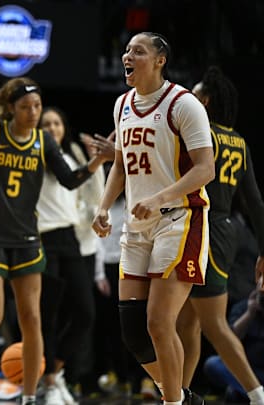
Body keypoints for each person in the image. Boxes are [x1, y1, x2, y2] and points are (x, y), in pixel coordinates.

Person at [0, 77, 107, 405]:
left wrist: (97, 162)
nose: (34, 112)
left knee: (32, 318)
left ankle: (30, 398)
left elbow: (69, 180)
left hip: (26, 239)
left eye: (37, 105)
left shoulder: (42, 142)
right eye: (26, 107)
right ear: (11, 108)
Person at [91, 32, 215, 405]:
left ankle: (173, 401)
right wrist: (102, 205)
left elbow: (206, 169)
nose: (128, 56)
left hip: (179, 218)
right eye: (126, 50)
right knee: (133, 331)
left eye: (138, 51)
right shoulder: (122, 104)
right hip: (137, 224)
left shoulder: (184, 104)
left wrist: (161, 198)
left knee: (160, 323)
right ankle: (182, 396)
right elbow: (123, 164)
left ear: (160, 60)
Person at [175, 66, 264, 405]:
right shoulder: (239, 141)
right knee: (188, 324)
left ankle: (257, 396)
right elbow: (255, 201)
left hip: (205, 229)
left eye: (193, 95)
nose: (188, 101)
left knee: (212, 323)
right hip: (224, 230)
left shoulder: (202, 135)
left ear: (205, 101)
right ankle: (178, 398)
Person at [37, 106, 100, 403]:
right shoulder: (32, 155)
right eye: (46, 123)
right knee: (47, 316)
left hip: (71, 238)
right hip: (41, 239)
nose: (52, 127)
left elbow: (93, 198)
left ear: (64, 127)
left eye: (57, 123)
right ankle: (49, 382)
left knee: (84, 312)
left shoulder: (72, 156)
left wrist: (94, 161)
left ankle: (55, 373)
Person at [203, 285, 264, 402]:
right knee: (213, 364)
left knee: (233, 393)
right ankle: (254, 393)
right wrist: (249, 314)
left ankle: (248, 393)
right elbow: (228, 340)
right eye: (262, 296)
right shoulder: (244, 307)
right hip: (244, 368)